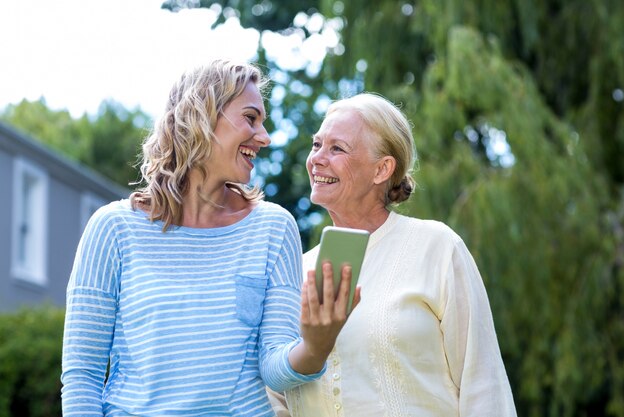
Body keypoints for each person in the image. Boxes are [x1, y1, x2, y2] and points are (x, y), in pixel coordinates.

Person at [61, 59, 357, 417]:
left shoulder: (273, 228)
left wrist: (316, 344)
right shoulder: (112, 229)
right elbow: (83, 378)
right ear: (201, 115)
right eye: (251, 118)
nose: (263, 137)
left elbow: (275, 370)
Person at [271, 92, 517, 416]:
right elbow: (275, 401)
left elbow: (484, 387)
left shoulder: (438, 247)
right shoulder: (291, 273)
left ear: (382, 169)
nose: (317, 158)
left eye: (337, 148)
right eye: (317, 145)